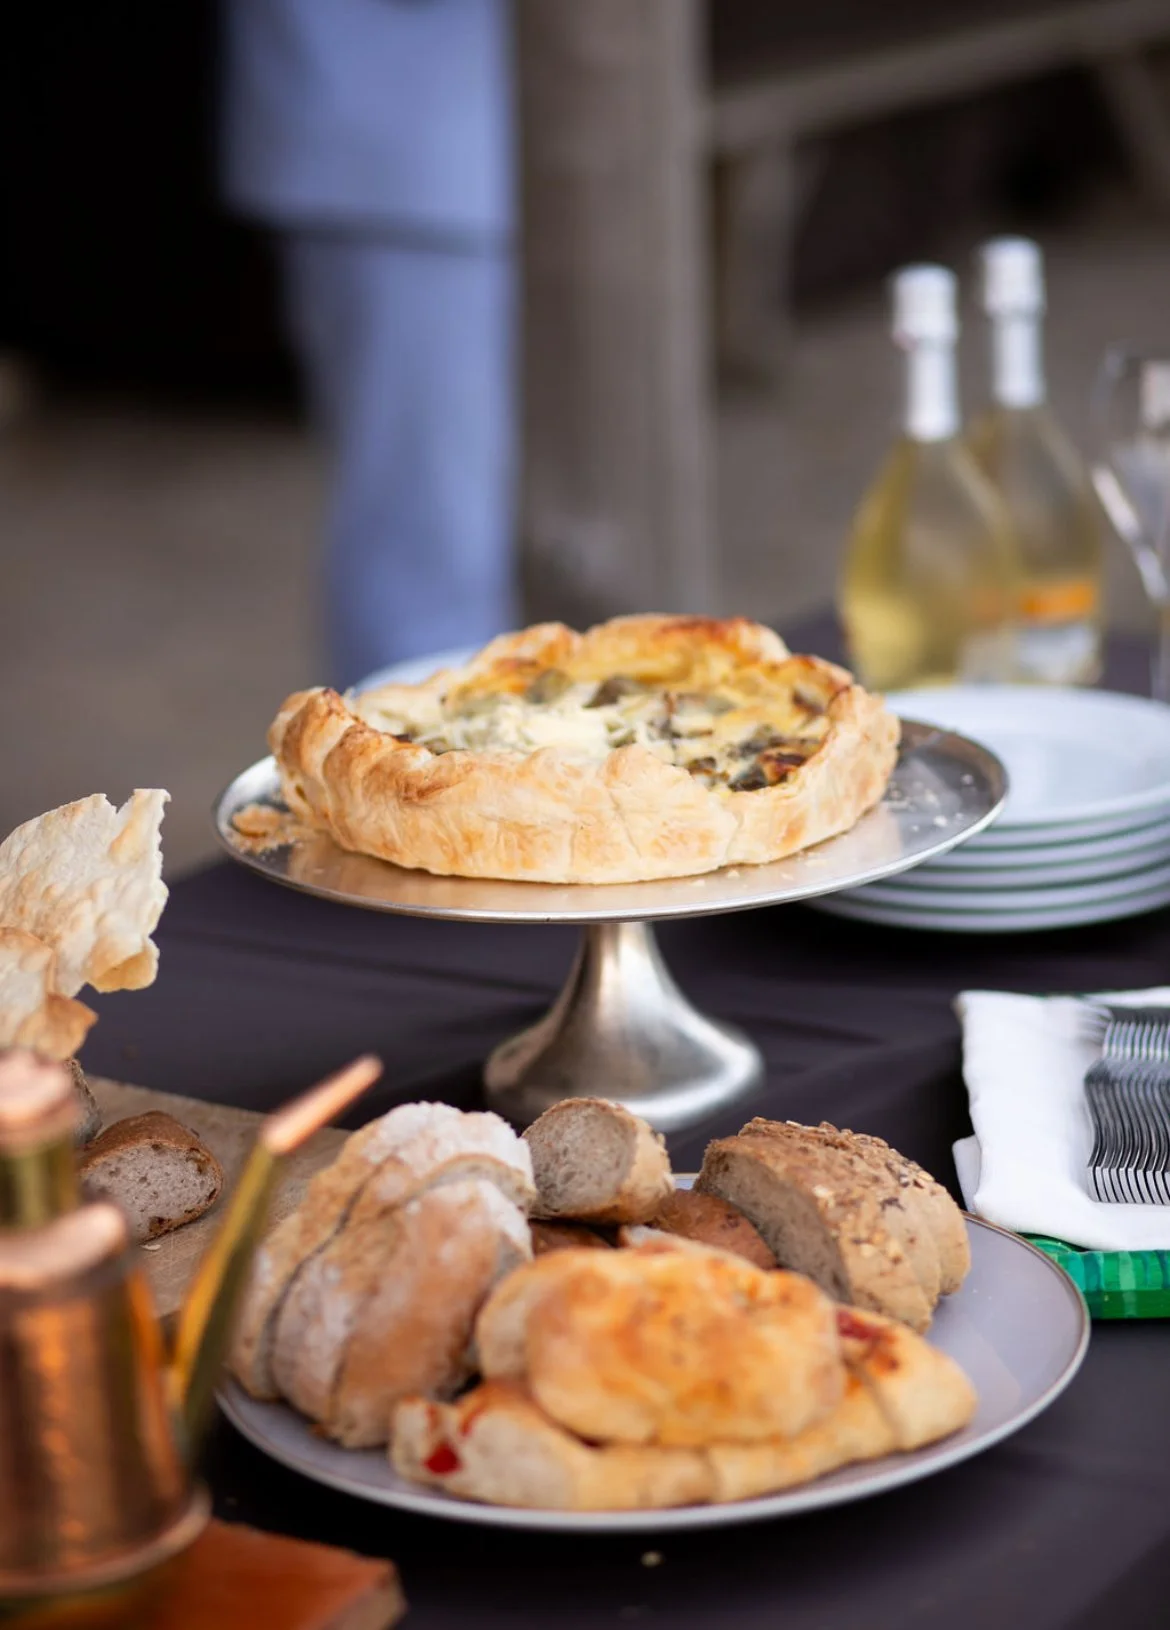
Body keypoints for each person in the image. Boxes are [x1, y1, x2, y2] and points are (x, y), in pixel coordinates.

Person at [220, 0, 517, 690]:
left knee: (483, 545)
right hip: (408, 152)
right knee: (428, 569)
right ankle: (401, 757)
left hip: (496, 153)